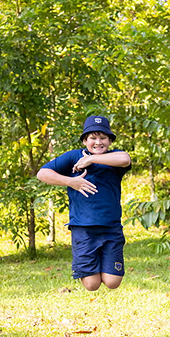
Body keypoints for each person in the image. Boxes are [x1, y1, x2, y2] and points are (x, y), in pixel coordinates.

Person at [37, 116, 132, 291]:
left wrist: (92, 160)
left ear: (110, 140)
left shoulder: (114, 157)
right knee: (91, 284)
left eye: (103, 137)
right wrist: (71, 182)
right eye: (93, 138)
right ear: (85, 140)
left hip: (111, 227)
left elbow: (125, 159)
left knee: (112, 282)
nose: (98, 142)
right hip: (83, 228)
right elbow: (42, 174)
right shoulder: (74, 156)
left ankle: (105, 263)